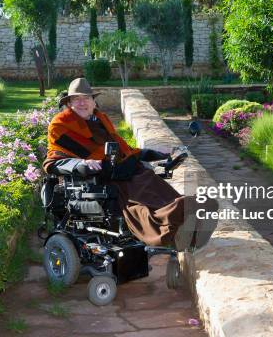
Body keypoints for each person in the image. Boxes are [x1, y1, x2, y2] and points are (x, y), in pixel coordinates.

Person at [43, 78, 217, 250]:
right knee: (140, 203)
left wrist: (155, 153)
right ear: (69, 103)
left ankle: (186, 223)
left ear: (93, 102)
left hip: (126, 169)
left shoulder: (100, 119)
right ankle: (174, 220)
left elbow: (123, 148)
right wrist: (82, 162)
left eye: (86, 98)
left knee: (151, 181)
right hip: (103, 177)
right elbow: (54, 158)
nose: (82, 103)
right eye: (76, 99)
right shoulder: (61, 124)